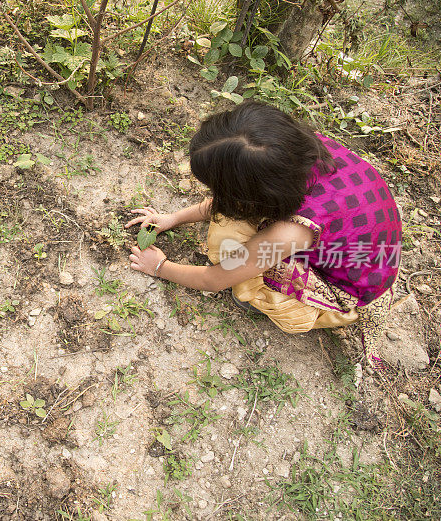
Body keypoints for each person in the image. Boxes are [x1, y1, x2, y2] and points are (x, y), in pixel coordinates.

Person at [125, 101, 401, 367]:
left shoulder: (288, 233)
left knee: (230, 243)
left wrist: (160, 267)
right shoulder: (300, 149)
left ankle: (288, 306)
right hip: (367, 250)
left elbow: (215, 278)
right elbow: (236, 200)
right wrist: (173, 218)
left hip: (352, 288)